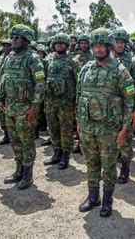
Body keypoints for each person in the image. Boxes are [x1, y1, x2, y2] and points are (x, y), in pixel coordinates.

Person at [76, 27, 135, 217]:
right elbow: (79, 96)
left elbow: (129, 102)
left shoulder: (120, 70)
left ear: (109, 47)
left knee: (108, 167)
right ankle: (93, 197)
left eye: (102, 45)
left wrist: (124, 129)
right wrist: (78, 122)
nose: (98, 49)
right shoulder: (85, 69)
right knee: (91, 163)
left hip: (109, 129)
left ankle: (107, 201)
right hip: (87, 127)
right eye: (95, 45)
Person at [0, 24, 45, 190]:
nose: (14, 40)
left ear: (26, 40)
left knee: (26, 142)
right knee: (15, 141)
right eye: (13, 37)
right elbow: (3, 78)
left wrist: (34, 107)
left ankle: (27, 174)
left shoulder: (33, 59)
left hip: (25, 110)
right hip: (10, 107)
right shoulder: (9, 57)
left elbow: (40, 84)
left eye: (17, 38)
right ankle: (18, 170)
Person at [110, 28, 135, 184]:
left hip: (127, 108)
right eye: (117, 42)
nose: (119, 45)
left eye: (122, 42)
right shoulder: (106, 58)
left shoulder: (133, 60)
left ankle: (125, 168)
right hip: (108, 108)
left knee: (126, 139)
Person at [43, 33, 80, 170]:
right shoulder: (48, 60)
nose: (59, 45)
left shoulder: (72, 61)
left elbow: (79, 82)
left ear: (66, 45)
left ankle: (65, 155)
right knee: (53, 128)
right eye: (57, 43)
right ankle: (56, 153)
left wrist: (76, 102)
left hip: (66, 103)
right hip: (50, 101)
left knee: (66, 130)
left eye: (62, 43)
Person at [0, 39, 12, 145]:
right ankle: (6, 134)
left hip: (12, 92)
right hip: (0, 91)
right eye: (4, 46)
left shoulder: (13, 59)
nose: (5, 48)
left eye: (8, 46)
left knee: (12, 116)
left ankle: (13, 135)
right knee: (2, 115)